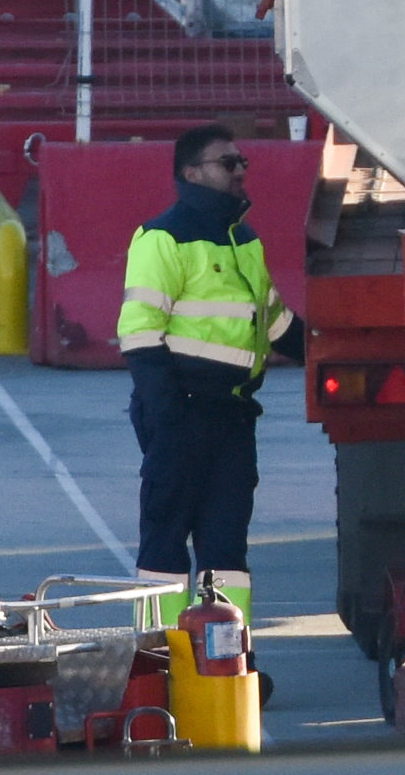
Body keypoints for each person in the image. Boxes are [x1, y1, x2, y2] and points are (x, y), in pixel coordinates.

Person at [117, 122, 296, 597]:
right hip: (182, 412)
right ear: (192, 173)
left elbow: (274, 322)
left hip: (233, 415)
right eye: (228, 163)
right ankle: (161, 658)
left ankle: (227, 662)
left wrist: (332, 345)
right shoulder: (162, 238)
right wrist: (167, 416)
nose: (240, 171)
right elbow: (138, 334)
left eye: (242, 162)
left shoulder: (245, 240)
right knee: (165, 546)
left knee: (227, 551)